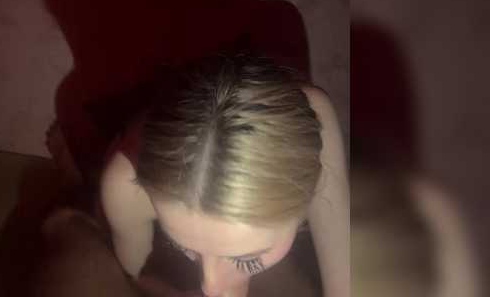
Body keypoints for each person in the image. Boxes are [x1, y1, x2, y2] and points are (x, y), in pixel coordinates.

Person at [97, 53, 349, 297]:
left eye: (248, 260)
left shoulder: (314, 118)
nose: (210, 286)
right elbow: (135, 283)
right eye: (182, 245)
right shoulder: (124, 190)